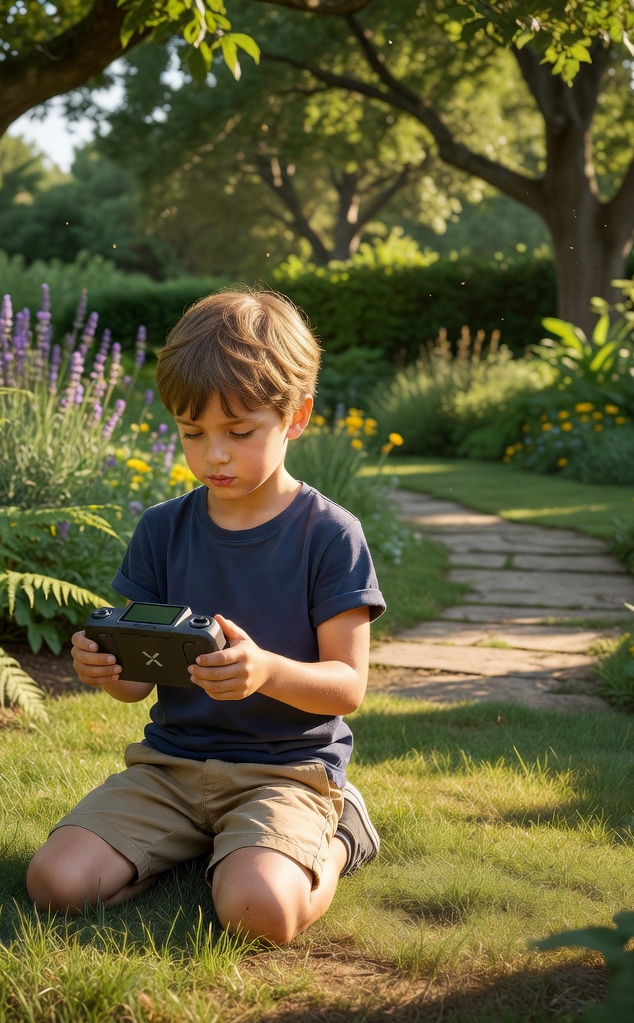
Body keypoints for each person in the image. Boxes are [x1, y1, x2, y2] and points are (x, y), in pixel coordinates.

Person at [26, 287, 385, 945]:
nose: (214, 454)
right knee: (55, 885)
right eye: (194, 433)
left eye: (239, 433)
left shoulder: (330, 535)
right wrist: (105, 666)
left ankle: (338, 839)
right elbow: (134, 682)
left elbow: (348, 687)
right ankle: (198, 848)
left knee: (257, 916)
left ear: (296, 417)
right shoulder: (163, 529)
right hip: (171, 769)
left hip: (286, 772)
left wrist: (265, 671)